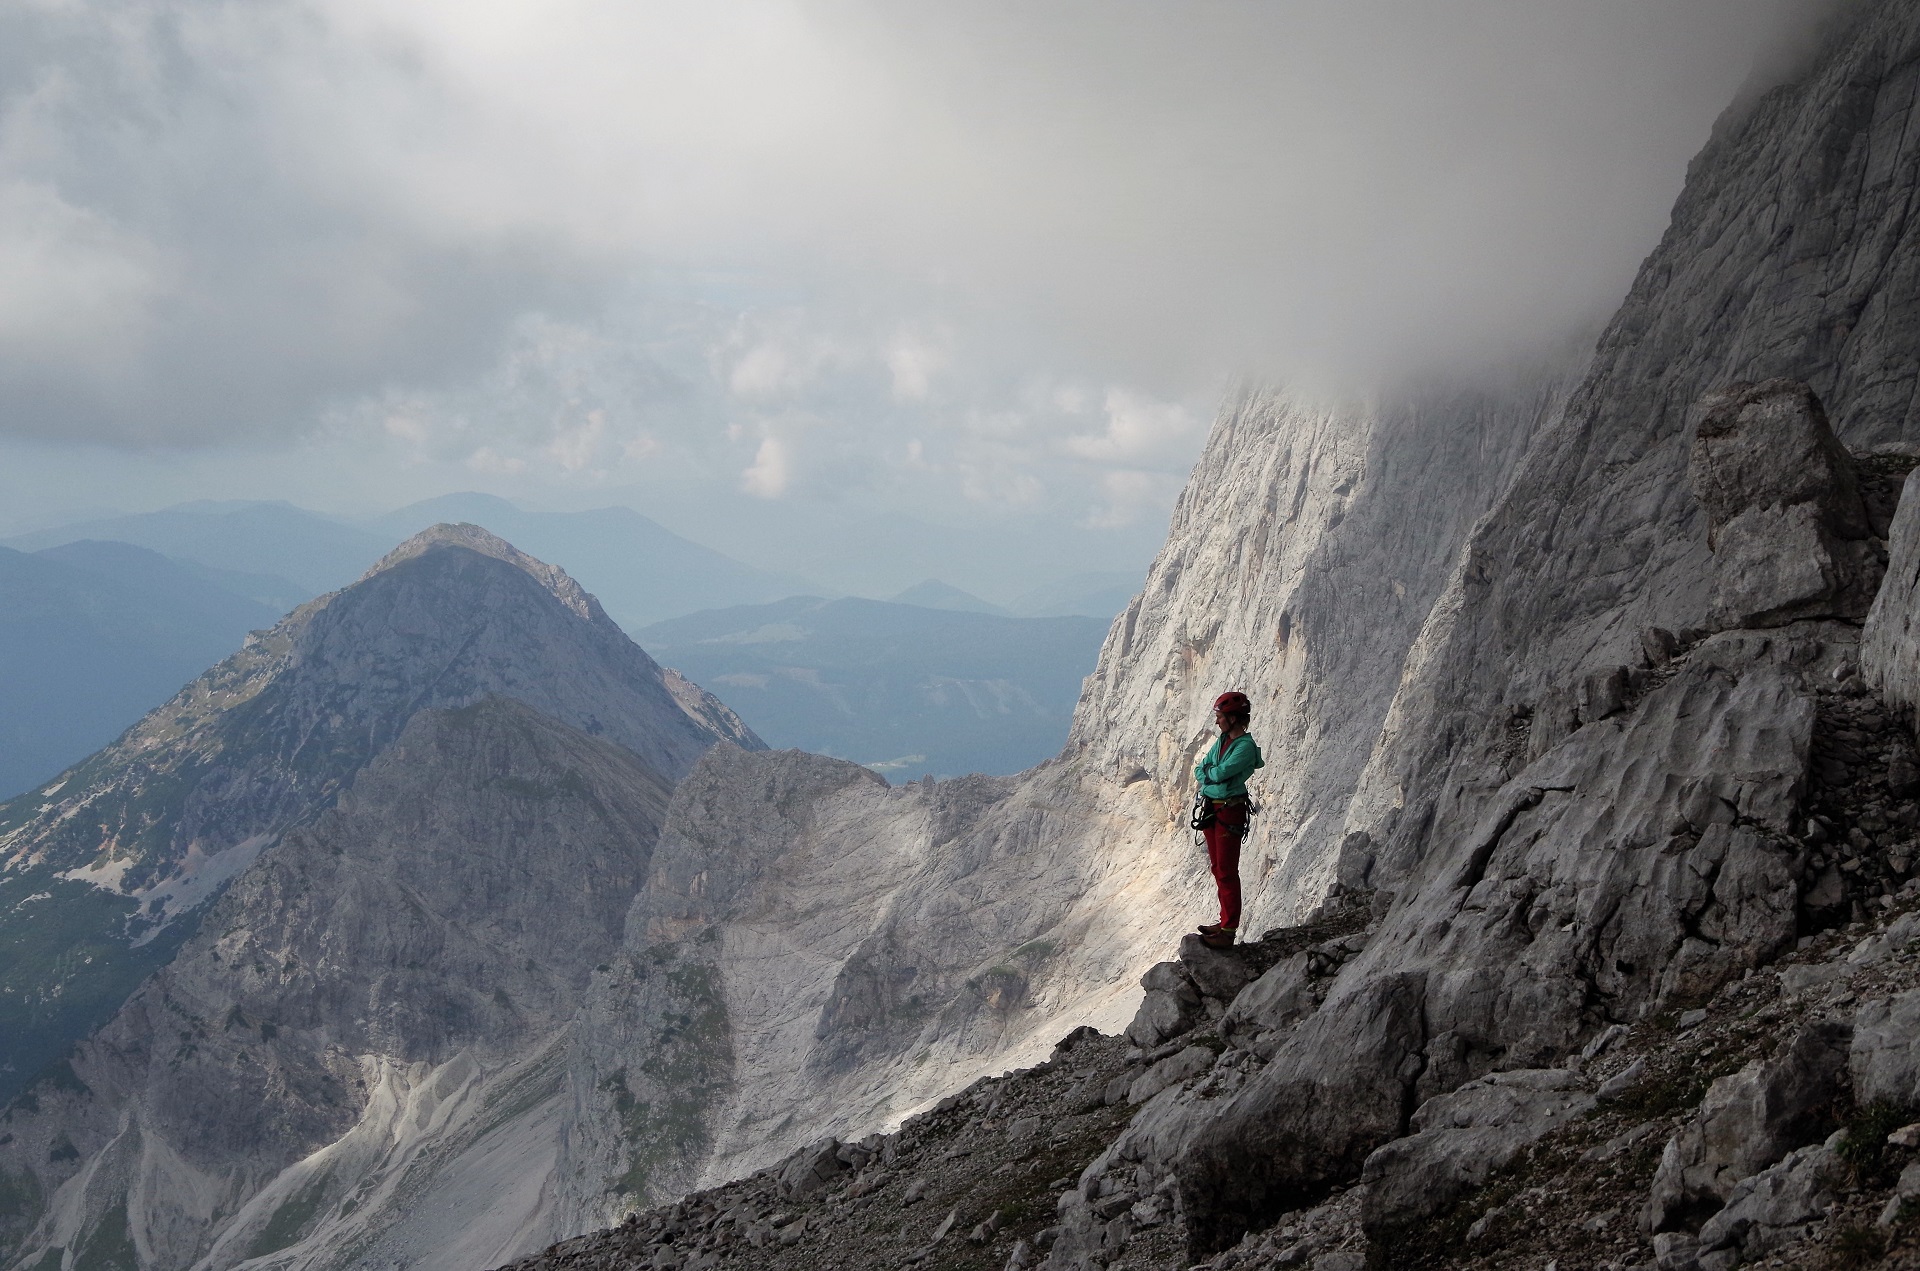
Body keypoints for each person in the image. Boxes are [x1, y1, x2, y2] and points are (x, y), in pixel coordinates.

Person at [1193, 691, 1264, 948]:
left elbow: (1219, 772)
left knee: (1226, 871)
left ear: (1233, 718)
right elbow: (1201, 769)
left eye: (1220, 717)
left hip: (1228, 810)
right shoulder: (1223, 740)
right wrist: (1211, 775)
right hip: (1214, 808)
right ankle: (1224, 922)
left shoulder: (1244, 747)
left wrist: (1210, 775)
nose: (1217, 722)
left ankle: (1228, 930)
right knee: (1218, 868)